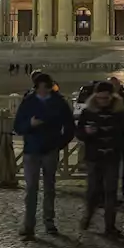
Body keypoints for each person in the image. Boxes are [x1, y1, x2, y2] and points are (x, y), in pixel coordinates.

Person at [13, 72, 75, 238]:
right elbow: (18, 126)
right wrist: (30, 124)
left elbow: (69, 126)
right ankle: (29, 225)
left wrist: (59, 143)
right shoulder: (29, 102)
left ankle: (49, 222)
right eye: (39, 88)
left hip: (49, 149)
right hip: (32, 150)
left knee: (49, 187)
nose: (42, 91)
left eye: (44, 88)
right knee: (31, 188)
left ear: (49, 87)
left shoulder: (58, 102)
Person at [76, 81, 124, 235]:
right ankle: (88, 217)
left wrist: (118, 144)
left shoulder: (120, 113)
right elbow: (79, 132)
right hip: (94, 157)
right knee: (93, 190)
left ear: (111, 97)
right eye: (100, 98)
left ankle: (110, 225)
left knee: (111, 191)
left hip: (112, 157)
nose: (102, 101)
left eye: (106, 98)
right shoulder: (88, 112)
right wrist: (87, 132)